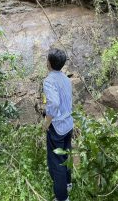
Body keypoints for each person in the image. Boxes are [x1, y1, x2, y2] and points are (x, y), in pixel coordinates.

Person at [43, 48, 73, 201]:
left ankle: (62, 198)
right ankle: (68, 183)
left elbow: (54, 104)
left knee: (57, 162)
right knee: (67, 154)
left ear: (49, 63)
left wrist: (46, 123)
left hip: (57, 127)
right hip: (69, 124)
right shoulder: (66, 79)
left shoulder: (49, 81)